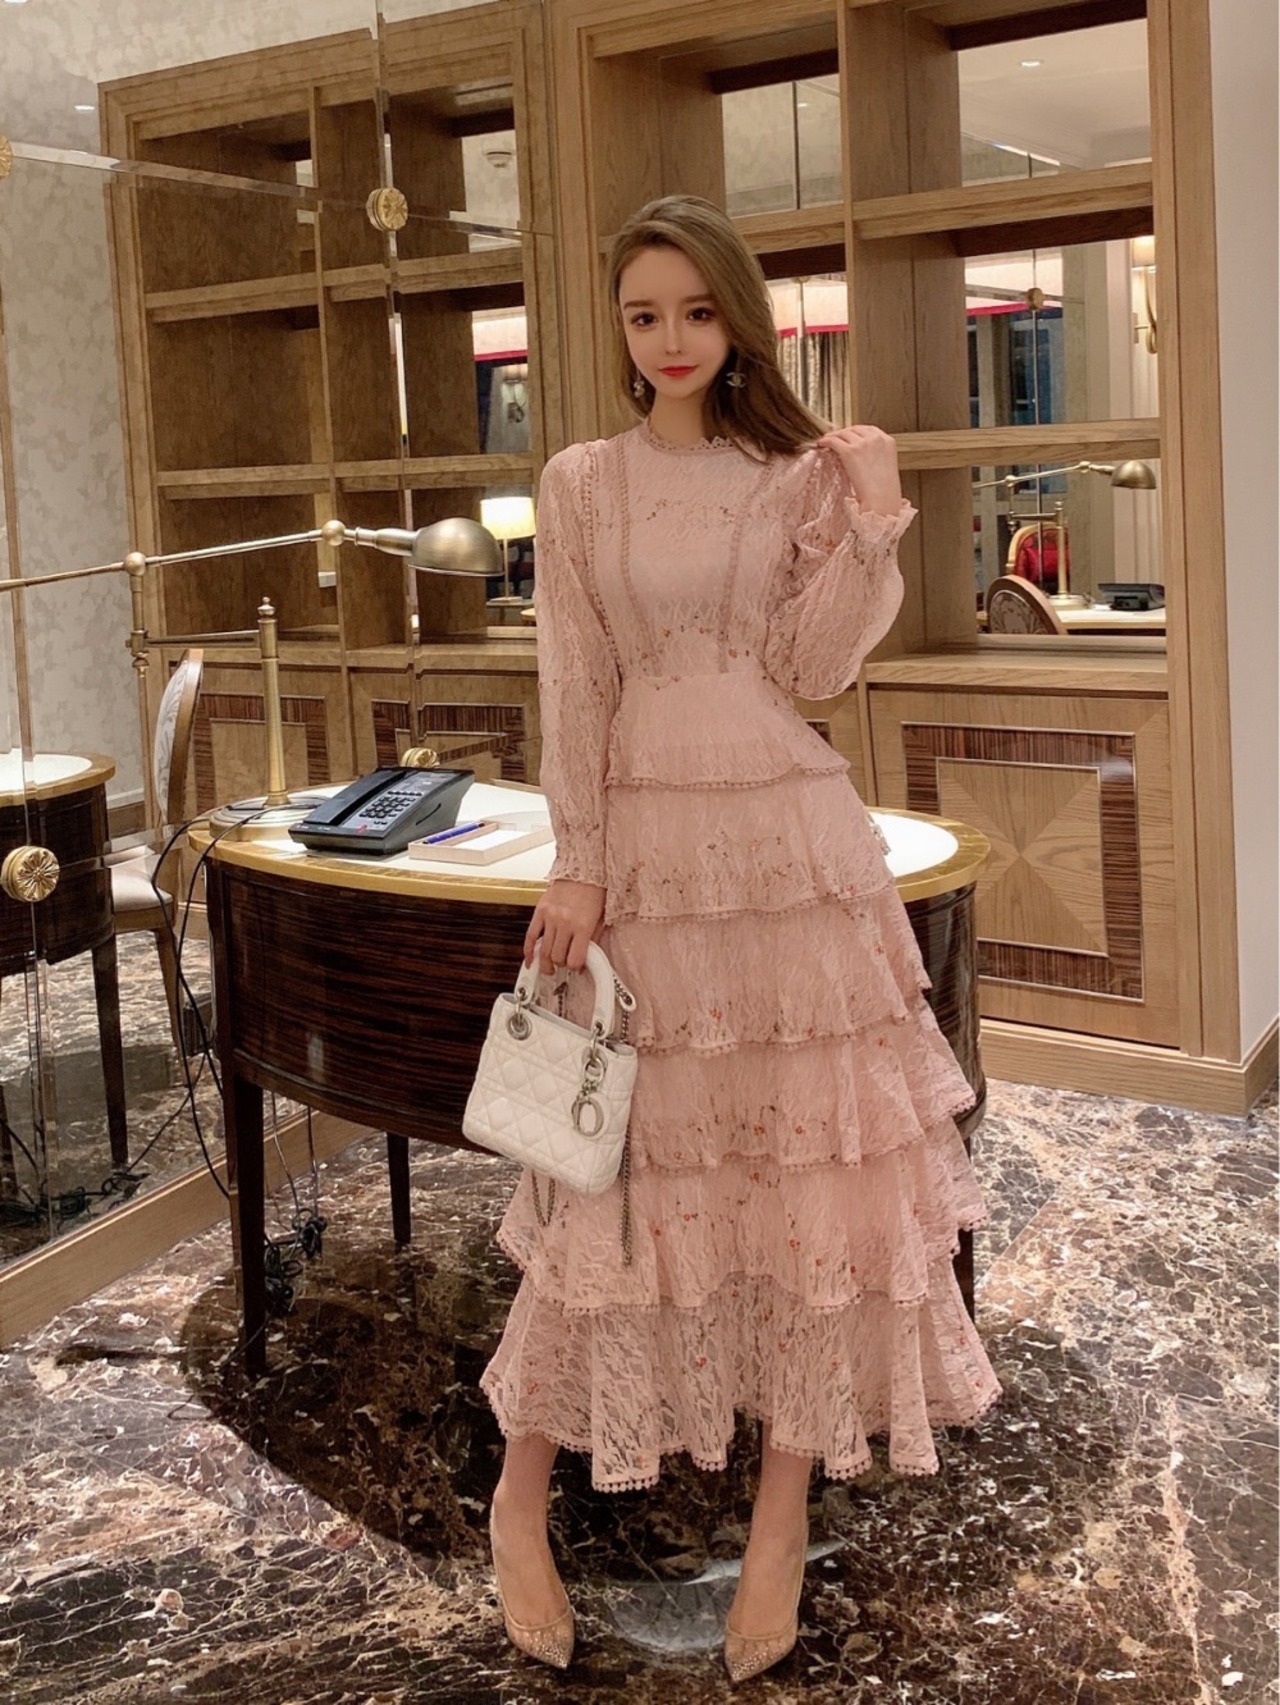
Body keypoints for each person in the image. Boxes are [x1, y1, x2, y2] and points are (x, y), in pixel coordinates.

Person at [481, 193, 1002, 1682]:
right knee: (607, 1173)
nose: (671, 340)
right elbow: (575, 682)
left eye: (696, 312)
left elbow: (814, 668)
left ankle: (779, 1523)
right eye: (643, 315)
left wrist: (874, 512)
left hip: (786, 848)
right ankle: (519, 1497)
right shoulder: (581, 482)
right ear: (617, 328)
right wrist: (578, 862)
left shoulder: (792, 473)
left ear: (740, 320)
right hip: (645, 857)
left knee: (802, 1189)